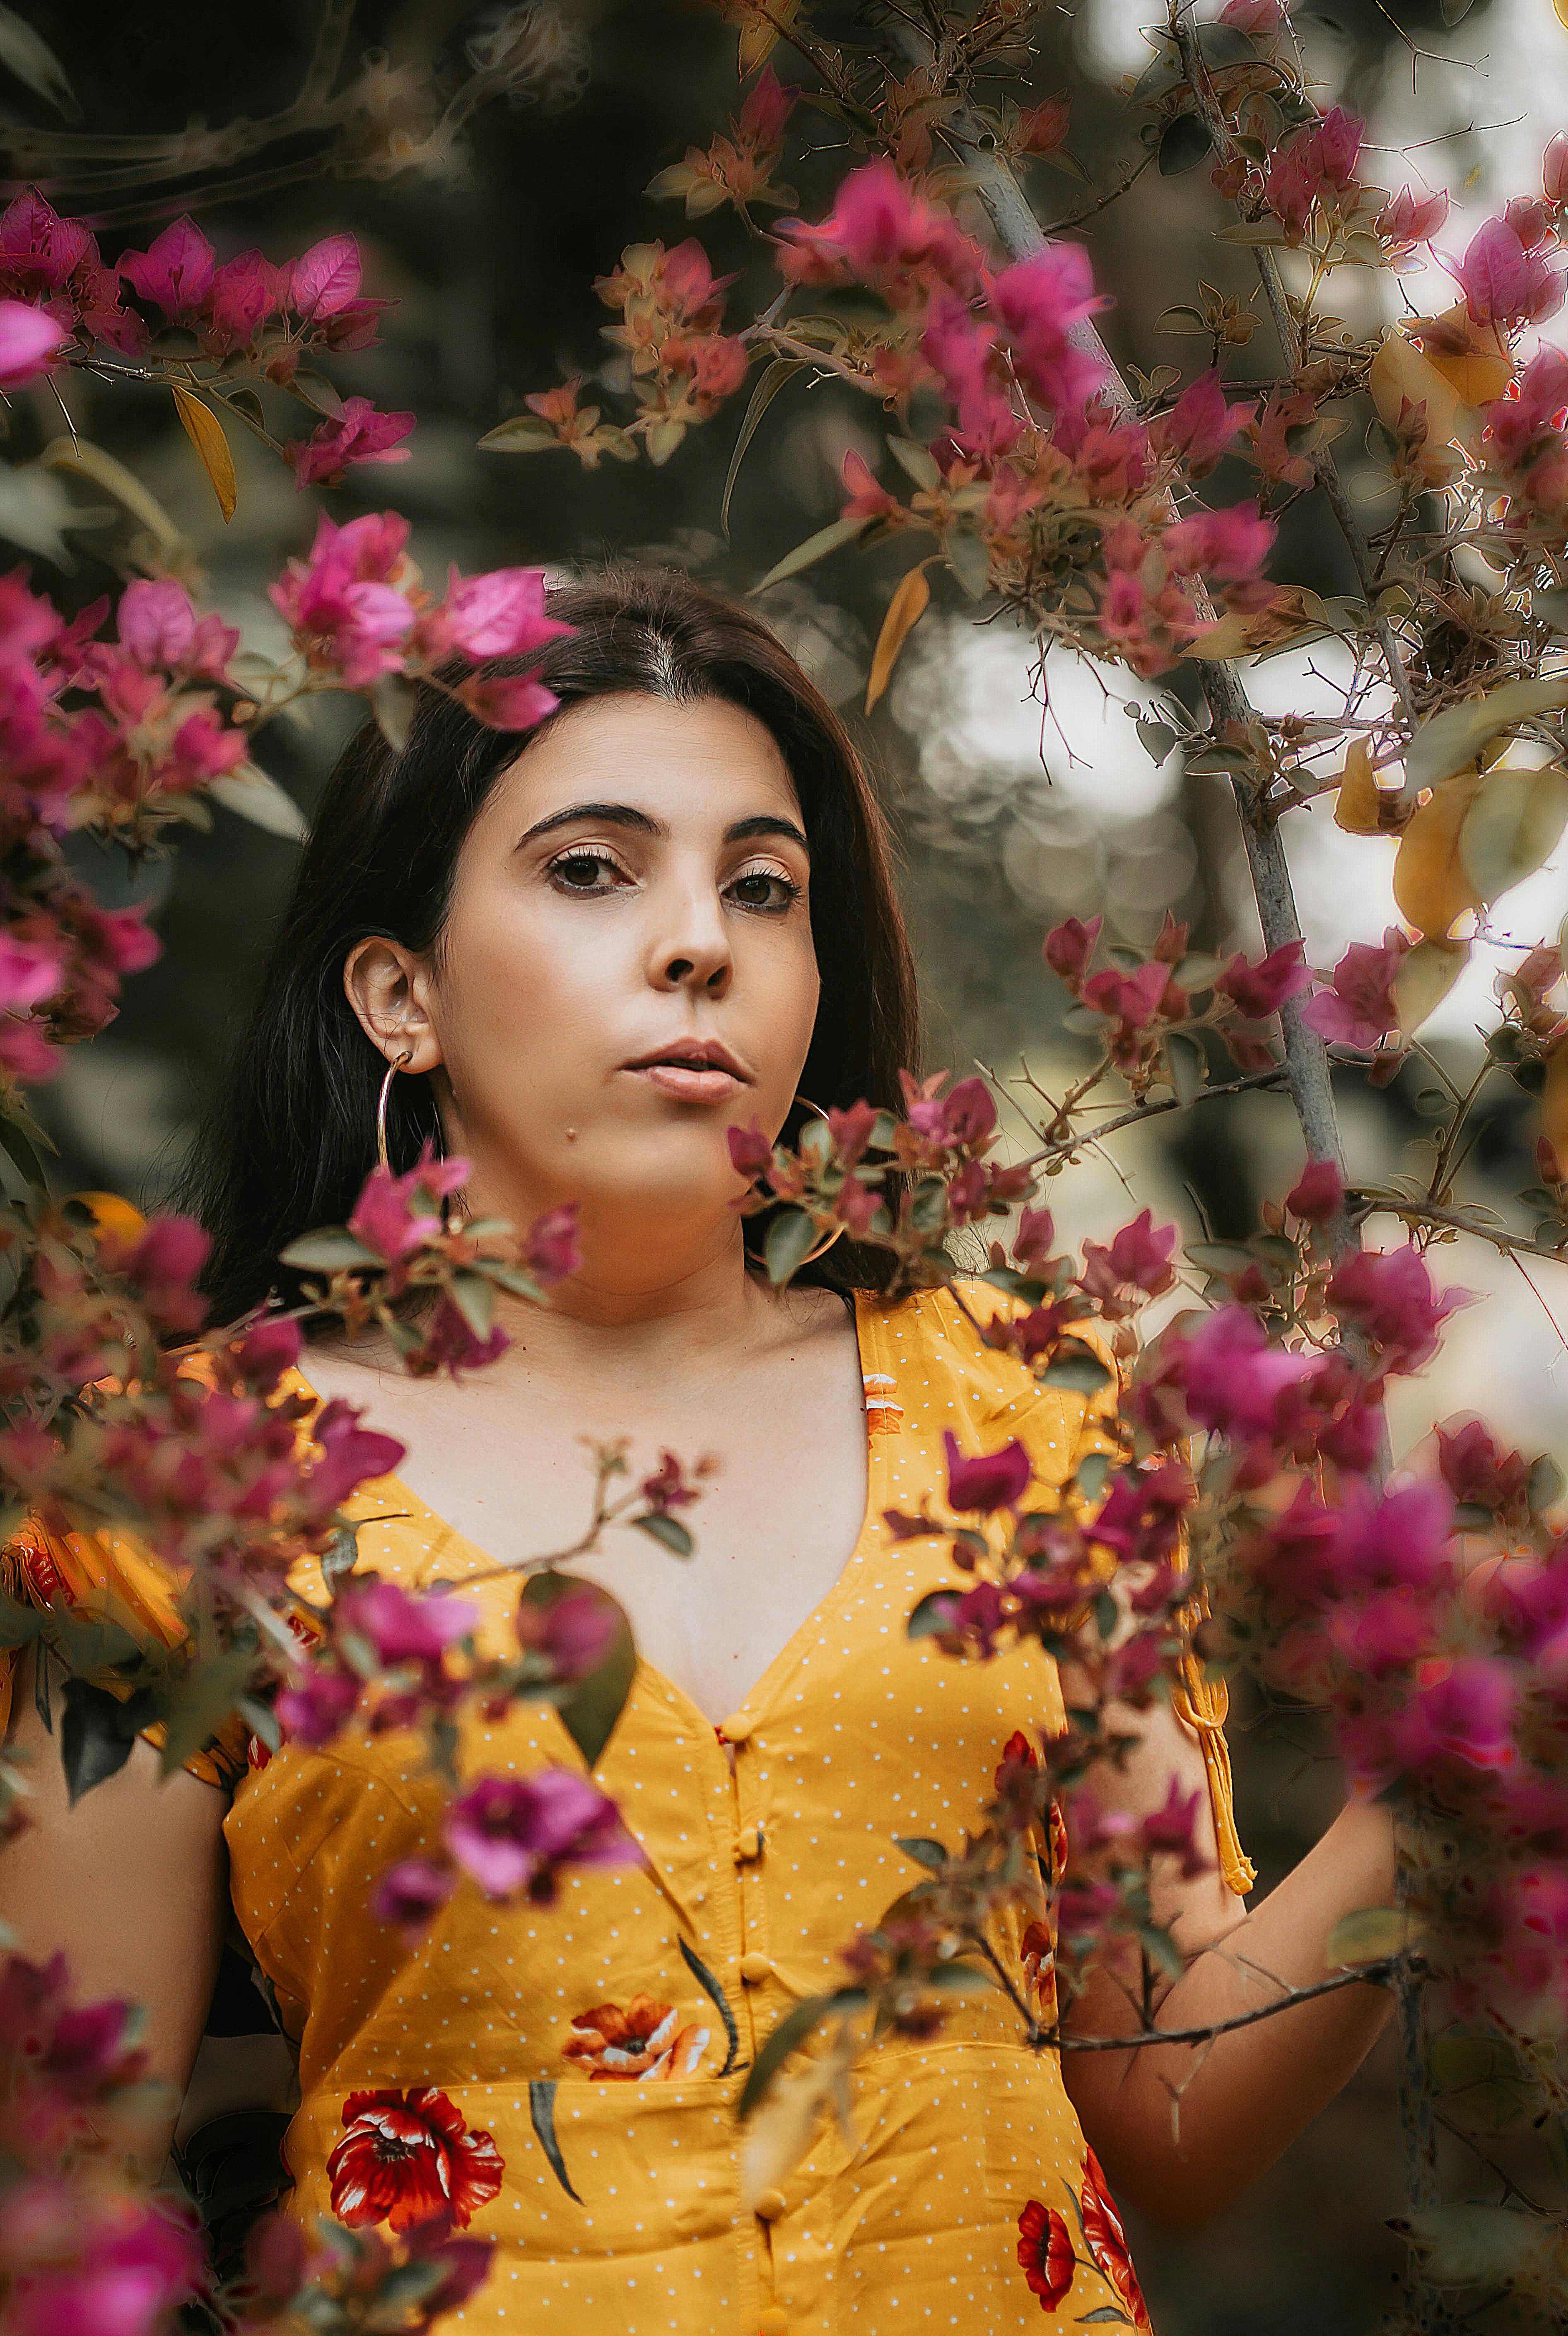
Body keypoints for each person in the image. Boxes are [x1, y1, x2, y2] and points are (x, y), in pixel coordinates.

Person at [0, 566, 1397, 2331]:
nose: (700, 944)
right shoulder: (178, 1491)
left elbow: (1169, 2119)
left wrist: (1434, 1813)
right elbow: (66, 2209)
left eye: (762, 887)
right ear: (399, 993)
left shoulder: (1036, 1418)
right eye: (593, 870)